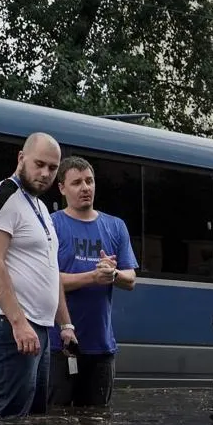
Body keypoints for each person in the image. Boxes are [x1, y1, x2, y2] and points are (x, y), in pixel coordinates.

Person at [0, 133, 78, 417]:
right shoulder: (1, 196)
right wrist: (18, 324)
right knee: (8, 420)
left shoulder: (41, 207)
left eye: (52, 168)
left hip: (39, 328)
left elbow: (50, 269)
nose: (45, 173)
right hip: (8, 325)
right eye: (39, 164)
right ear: (21, 158)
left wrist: (65, 324)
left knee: (32, 418)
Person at [48, 156, 138, 409]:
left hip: (102, 347)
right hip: (59, 344)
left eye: (89, 181)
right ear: (62, 188)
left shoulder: (115, 226)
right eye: (76, 182)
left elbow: (130, 279)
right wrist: (92, 277)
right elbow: (46, 280)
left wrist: (113, 273)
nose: (85, 188)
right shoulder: (52, 225)